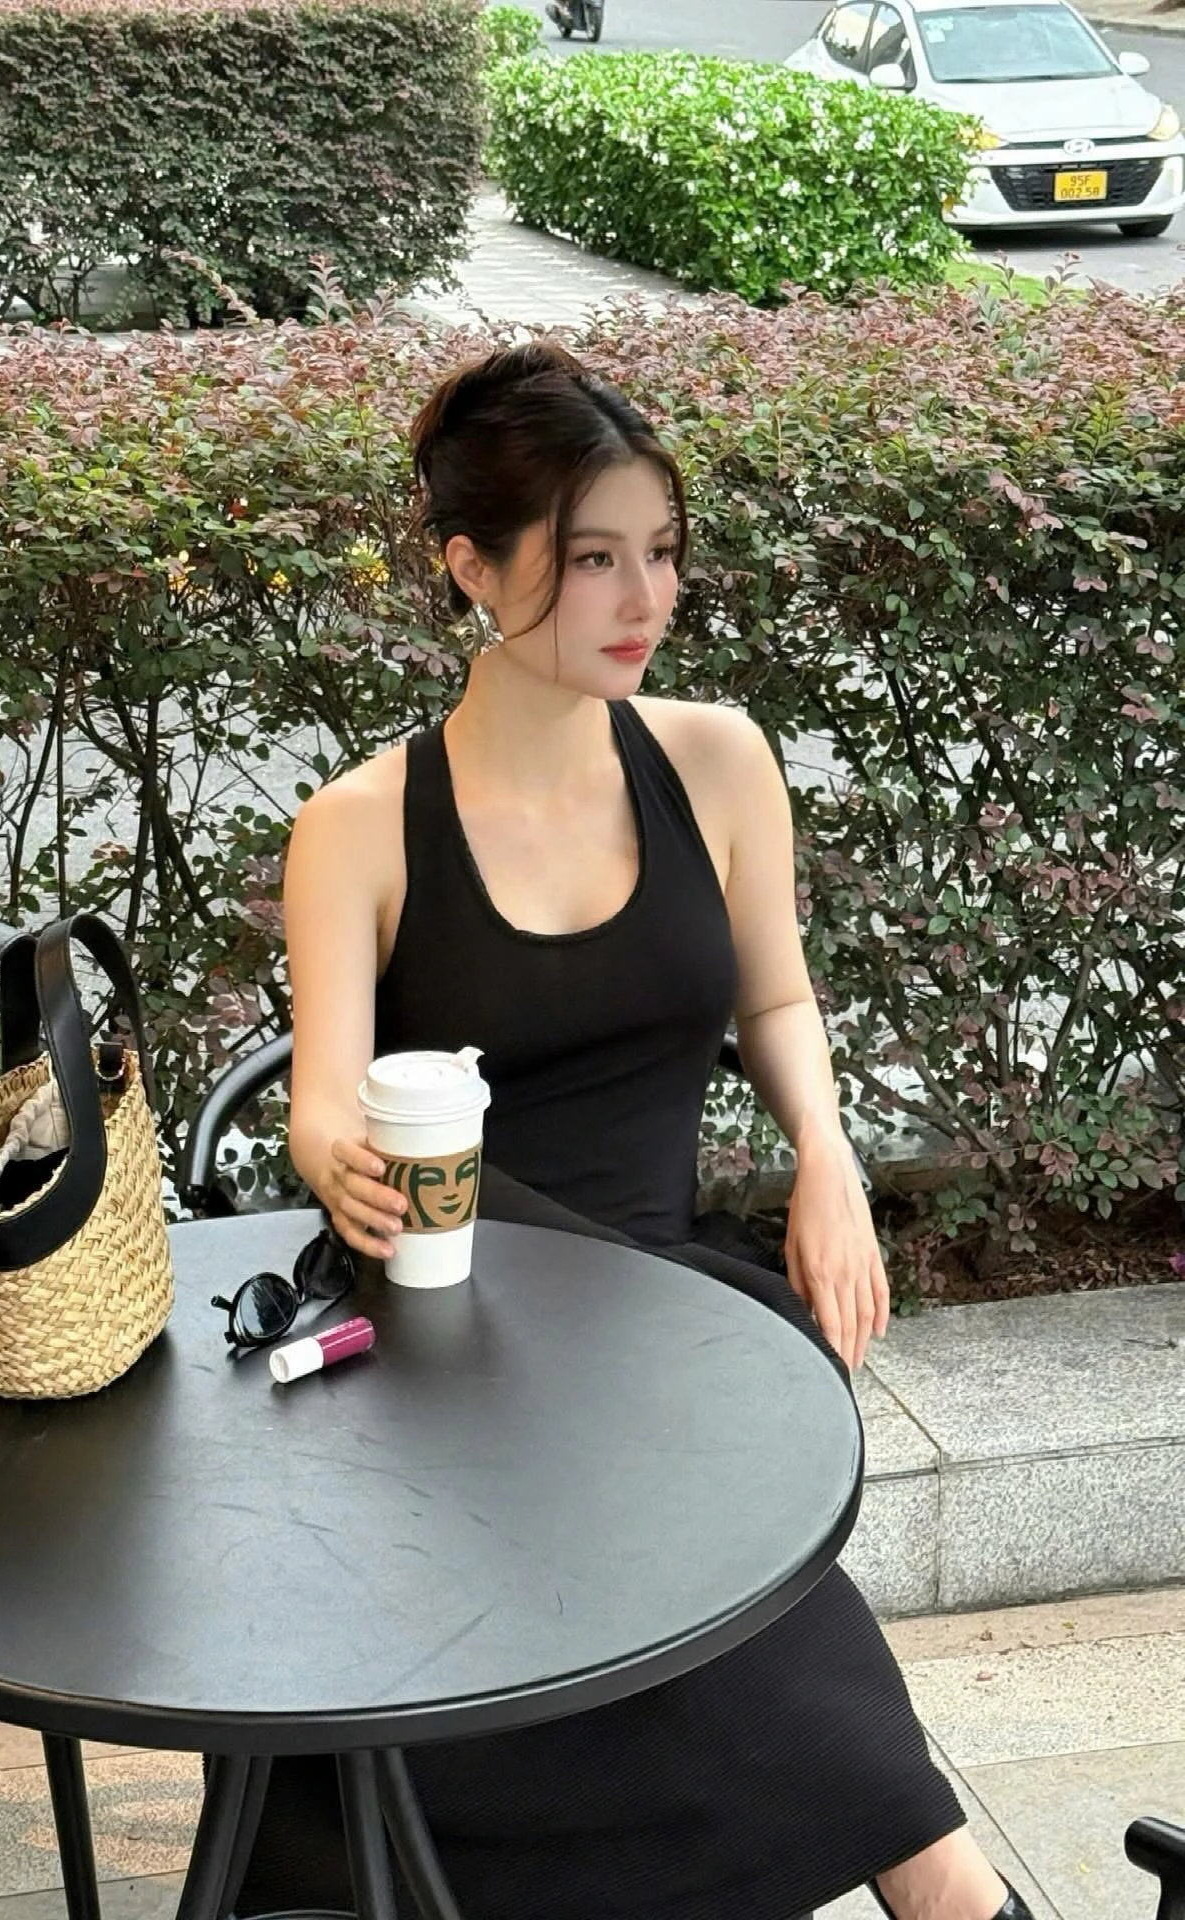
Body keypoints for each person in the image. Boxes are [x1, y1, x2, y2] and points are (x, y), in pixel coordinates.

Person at [252, 343, 1032, 1920]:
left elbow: (778, 998)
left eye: (660, 552)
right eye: (592, 557)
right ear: (471, 566)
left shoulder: (716, 760)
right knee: (699, 1532)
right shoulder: (359, 826)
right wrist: (334, 1153)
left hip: (663, 1305)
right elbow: (322, 1101)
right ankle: (946, 1884)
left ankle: (932, 1882)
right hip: (455, 1320)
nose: (643, 598)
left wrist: (828, 1158)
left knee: (694, 1481)